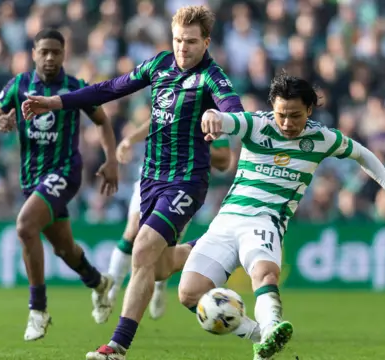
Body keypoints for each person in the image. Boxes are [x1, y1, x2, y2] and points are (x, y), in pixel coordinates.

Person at [20, 6, 244, 359]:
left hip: (186, 181)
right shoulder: (160, 64)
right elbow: (109, 88)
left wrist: (220, 116)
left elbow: (233, 107)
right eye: (178, 40)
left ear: (206, 42)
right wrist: (55, 102)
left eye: (190, 42)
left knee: (140, 249)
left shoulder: (211, 77)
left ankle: (117, 346)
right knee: (154, 267)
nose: (182, 48)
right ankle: (204, 248)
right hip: (151, 178)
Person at [178, 72, 385, 360]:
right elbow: (225, 119)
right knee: (189, 294)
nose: (287, 123)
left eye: (295, 115)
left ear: (309, 110)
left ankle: (272, 325)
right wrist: (212, 117)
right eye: (281, 115)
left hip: (265, 221)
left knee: (265, 273)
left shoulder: (321, 137)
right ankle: (262, 336)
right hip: (226, 220)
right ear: (272, 109)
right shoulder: (256, 125)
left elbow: (362, 154)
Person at [0, 29, 119, 341]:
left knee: (25, 226)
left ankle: (38, 310)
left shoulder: (75, 88)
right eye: (45, 52)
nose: (50, 57)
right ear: (33, 53)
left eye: (56, 51)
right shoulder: (19, 85)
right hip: (32, 179)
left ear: (64, 54)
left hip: (65, 171)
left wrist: (111, 160)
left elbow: (102, 121)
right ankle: (99, 282)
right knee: (65, 250)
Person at [107, 117, 232, 319]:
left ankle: (159, 286)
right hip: (151, 177)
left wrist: (192, 147)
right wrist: (130, 139)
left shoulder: (212, 119)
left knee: (165, 242)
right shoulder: (173, 102)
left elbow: (225, 161)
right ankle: (110, 292)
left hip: (184, 183)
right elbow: (153, 122)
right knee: (132, 231)